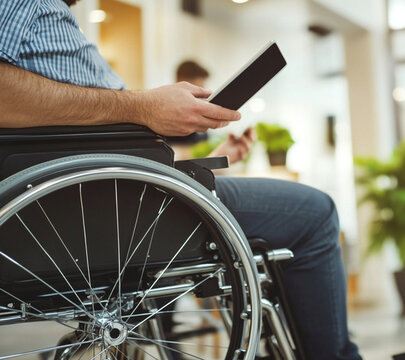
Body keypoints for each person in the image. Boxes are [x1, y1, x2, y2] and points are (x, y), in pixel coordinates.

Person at [0, 1, 361, 359]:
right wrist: (141, 106)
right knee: (314, 211)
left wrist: (205, 161)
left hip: (101, 202)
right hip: (97, 212)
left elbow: (105, 154)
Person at [171, 59, 256, 162]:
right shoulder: (167, 120)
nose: (200, 95)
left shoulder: (200, 125)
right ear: (179, 82)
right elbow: (174, 158)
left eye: (202, 88)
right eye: (196, 89)